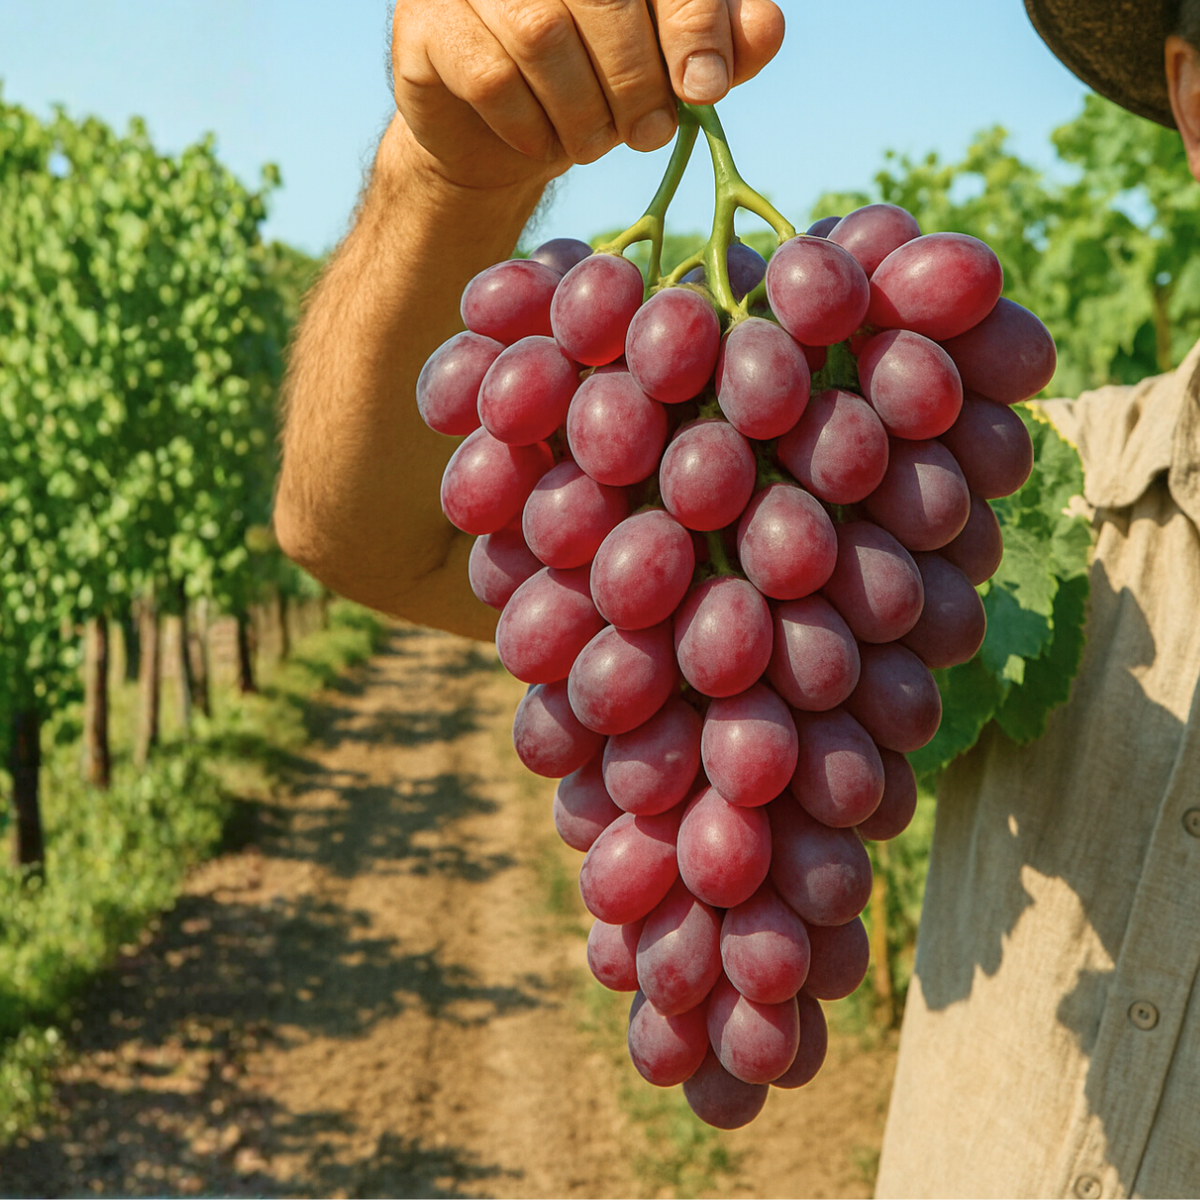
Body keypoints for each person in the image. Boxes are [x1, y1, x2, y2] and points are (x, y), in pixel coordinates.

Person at [276, 2, 1200, 1197]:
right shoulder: (997, 514)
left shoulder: (932, 489)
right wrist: (447, 175)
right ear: (1189, 95)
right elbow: (362, 535)